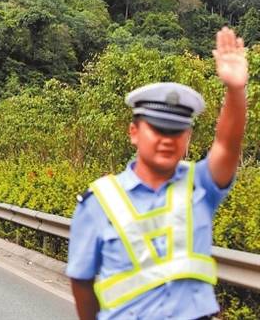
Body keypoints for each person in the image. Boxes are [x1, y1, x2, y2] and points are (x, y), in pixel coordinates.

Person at [66, 27, 248, 320]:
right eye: (159, 129)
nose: (167, 139)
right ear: (134, 132)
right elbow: (81, 281)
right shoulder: (98, 201)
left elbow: (228, 143)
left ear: (187, 137)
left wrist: (236, 90)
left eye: (177, 131)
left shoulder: (201, 184)